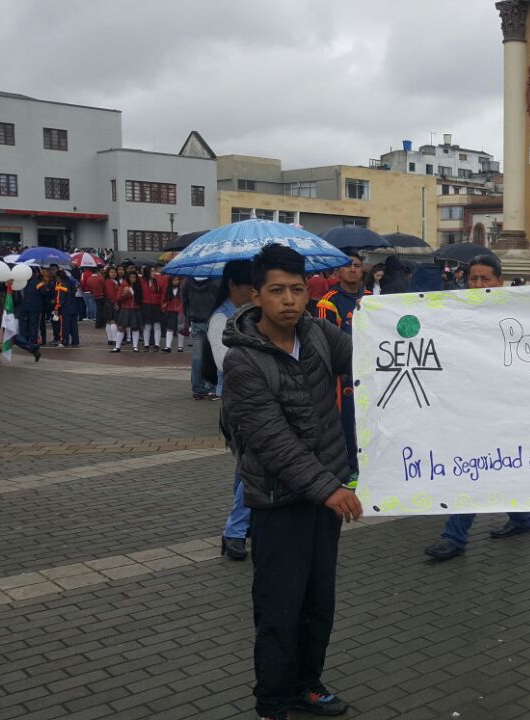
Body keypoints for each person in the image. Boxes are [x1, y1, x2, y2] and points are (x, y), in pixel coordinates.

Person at [221, 244, 359, 720]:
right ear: (255, 296)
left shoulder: (318, 333)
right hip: (279, 501)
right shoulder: (242, 361)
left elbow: (370, 360)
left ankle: (308, 684)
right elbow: (272, 442)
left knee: (319, 602)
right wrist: (330, 488)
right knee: (279, 608)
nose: (289, 300)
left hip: (324, 499)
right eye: (277, 291)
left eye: (297, 290)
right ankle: (273, 701)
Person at [424, 254, 530, 562]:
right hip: (471, 405)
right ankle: (522, 518)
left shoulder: (518, 313)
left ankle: (454, 537)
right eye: (473, 278)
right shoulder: (454, 312)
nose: (478, 284)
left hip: (508, 405)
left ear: (500, 281)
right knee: (490, 464)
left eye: (485, 279)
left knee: (478, 468)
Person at [210, 260, 255, 558]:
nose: (252, 292)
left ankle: (241, 528)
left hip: (260, 399)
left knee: (246, 467)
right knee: (253, 466)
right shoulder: (221, 318)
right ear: (232, 285)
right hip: (238, 403)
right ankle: (236, 531)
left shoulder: (253, 315)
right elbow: (223, 362)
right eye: (248, 286)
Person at [316, 251, 369, 474]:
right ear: (338, 270)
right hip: (343, 377)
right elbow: (323, 340)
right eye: (348, 265)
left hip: (371, 372)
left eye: (357, 265)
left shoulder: (372, 299)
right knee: (346, 422)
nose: (353, 269)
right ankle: (350, 468)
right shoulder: (328, 301)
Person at [184, 275, 220, 399]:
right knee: (211, 356)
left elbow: (185, 301)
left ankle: (197, 389)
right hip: (212, 321)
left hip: (196, 321)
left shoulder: (188, 281)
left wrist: (189, 316)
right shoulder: (216, 280)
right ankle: (211, 388)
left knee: (197, 357)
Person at [113, 270, 144, 353]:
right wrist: (124, 294)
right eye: (131, 277)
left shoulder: (138, 286)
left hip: (135, 309)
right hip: (125, 308)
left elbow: (141, 298)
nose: (132, 279)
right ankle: (117, 347)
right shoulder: (124, 285)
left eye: (134, 277)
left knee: (135, 328)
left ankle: (135, 346)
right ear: (128, 278)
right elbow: (118, 298)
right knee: (121, 327)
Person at [140, 265, 164, 352]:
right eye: (152, 271)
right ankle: (146, 345)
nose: (154, 273)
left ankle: (157, 345)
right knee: (147, 325)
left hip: (156, 305)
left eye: (154, 271)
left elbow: (162, 292)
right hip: (146, 305)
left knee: (157, 325)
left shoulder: (158, 281)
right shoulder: (142, 281)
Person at [161, 275, 185, 352]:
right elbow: (163, 299)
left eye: (177, 280)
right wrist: (165, 306)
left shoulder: (182, 289)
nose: (176, 282)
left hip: (180, 311)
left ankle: (180, 346)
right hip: (170, 310)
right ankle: (168, 346)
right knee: (170, 328)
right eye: (174, 280)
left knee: (180, 328)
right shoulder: (167, 289)